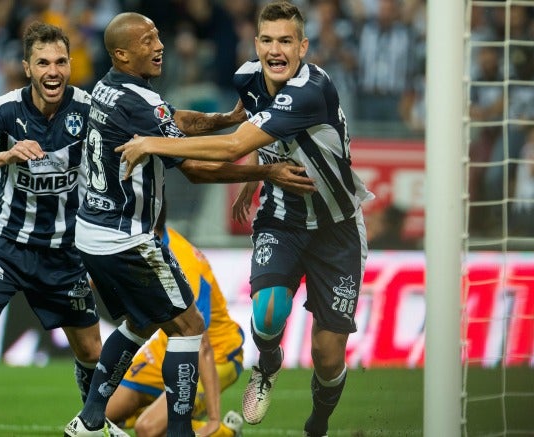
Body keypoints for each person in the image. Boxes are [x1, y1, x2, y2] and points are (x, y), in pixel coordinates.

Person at [115, 3, 373, 436]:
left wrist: (157, 144)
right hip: (282, 218)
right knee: (268, 311)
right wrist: (256, 176)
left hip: (337, 228)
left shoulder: (312, 90)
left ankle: (319, 422)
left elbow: (233, 141)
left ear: (303, 47)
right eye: (268, 40)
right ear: (256, 45)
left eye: (286, 41)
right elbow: (246, 120)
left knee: (328, 357)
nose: (276, 50)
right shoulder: (249, 77)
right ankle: (267, 365)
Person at [64, 11, 315, 437]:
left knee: (142, 322)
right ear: (123, 54)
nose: (159, 46)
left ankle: (89, 419)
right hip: (127, 236)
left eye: (158, 36)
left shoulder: (106, 89)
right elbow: (197, 169)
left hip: (92, 233)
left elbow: (171, 120)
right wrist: (266, 173)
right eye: (147, 41)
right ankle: (179, 432)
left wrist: (224, 120)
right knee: (189, 328)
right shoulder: (139, 101)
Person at [0, 22, 106, 437]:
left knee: (91, 352)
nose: (53, 71)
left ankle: (94, 424)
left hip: (64, 252)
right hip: (5, 246)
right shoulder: (5, 109)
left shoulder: (88, 109)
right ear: (27, 67)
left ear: (70, 65)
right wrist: (6, 155)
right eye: (43, 62)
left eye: (61, 61)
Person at [105, 206, 245, 437]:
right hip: (167, 346)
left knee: (147, 430)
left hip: (216, 354)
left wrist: (213, 418)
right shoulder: (144, 247)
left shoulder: (184, 264)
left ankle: (225, 432)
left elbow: (202, 344)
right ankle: (156, 413)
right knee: (100, 415)